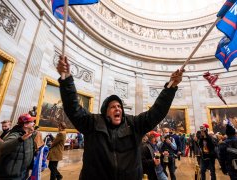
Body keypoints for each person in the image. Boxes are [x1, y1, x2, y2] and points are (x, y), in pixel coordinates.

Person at [56, 56, 184, 179]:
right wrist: (66, 78)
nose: (117, 108)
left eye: (119, 106)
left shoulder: (134, 124)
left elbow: (157, 111)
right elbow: (73, 108)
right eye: (112, 107)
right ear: (105, 112)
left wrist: (171, 87)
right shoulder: (93, 123)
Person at [0, 113, 36, 180]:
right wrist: (20, 139)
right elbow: (3, 147)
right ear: (25, 124)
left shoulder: (28, 134)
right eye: (31, 122)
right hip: (13, 173)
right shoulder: (15, 134)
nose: (34, 123)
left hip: (23, 171)